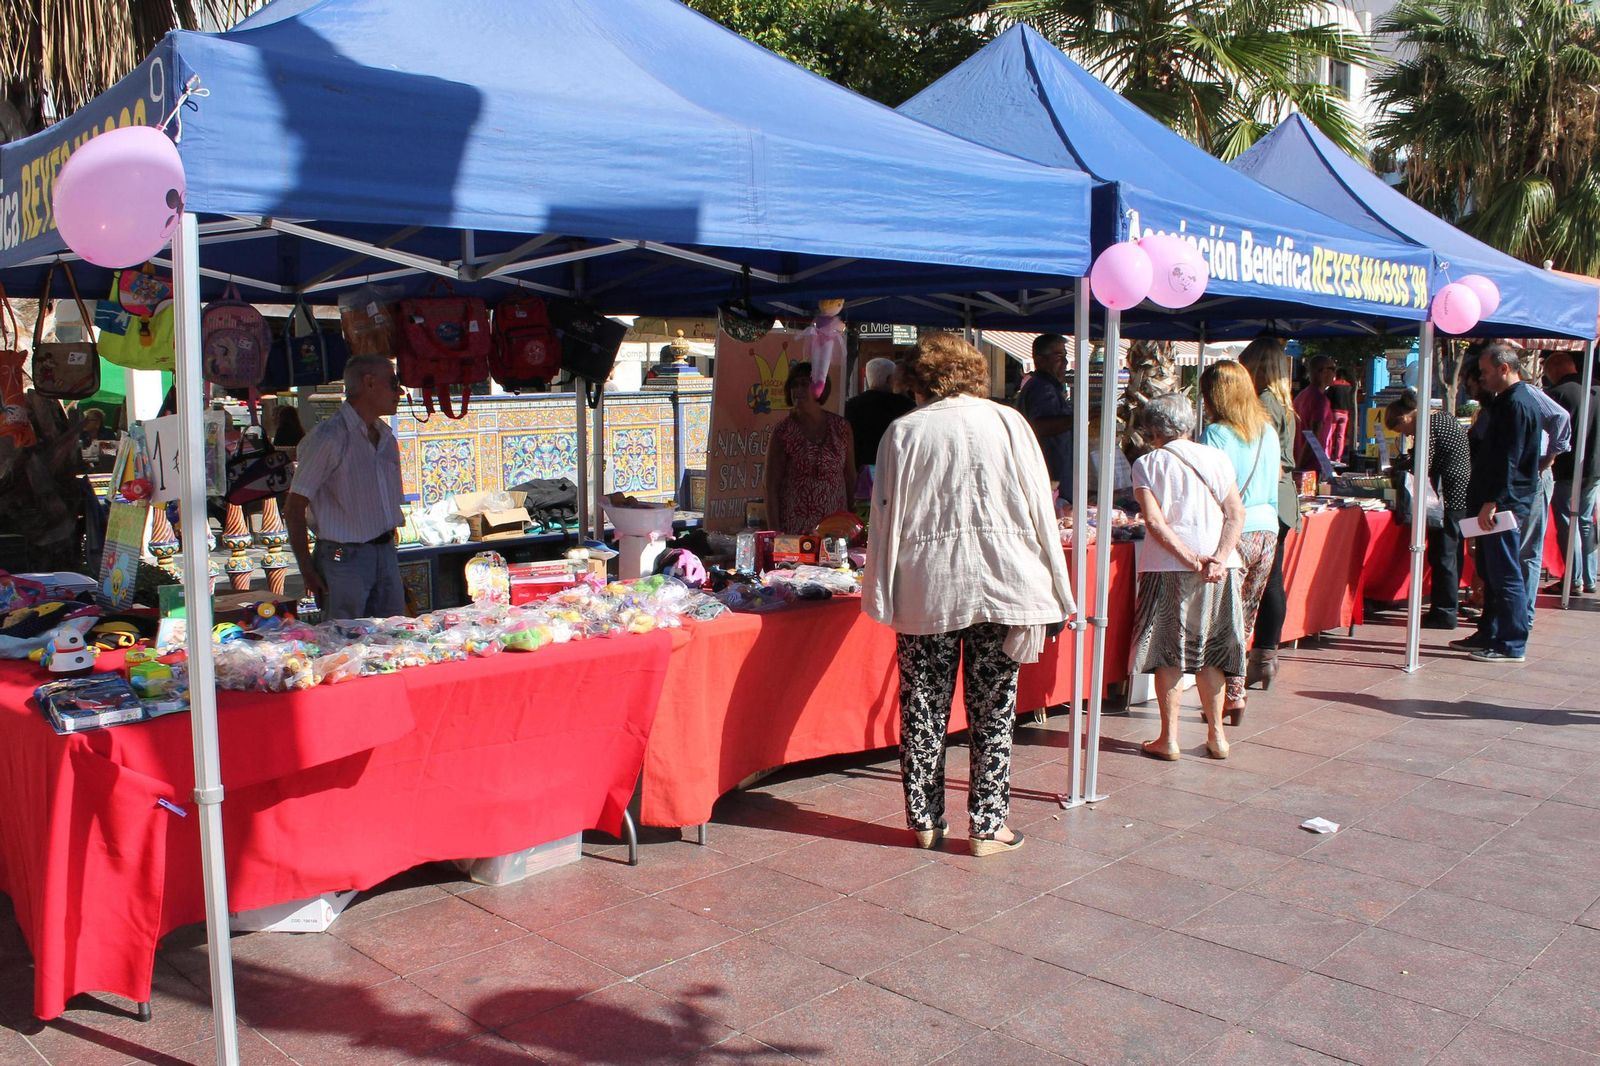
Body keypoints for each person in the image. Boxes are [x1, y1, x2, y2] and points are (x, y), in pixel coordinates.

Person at [863, 332, 1074, 857]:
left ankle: (925, 821)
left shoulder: (904, 431)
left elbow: (884, 517)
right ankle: (988, 824)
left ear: (921, 381)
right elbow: (1040, 508)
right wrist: (1059, 589)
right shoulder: (1009, 422)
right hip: (1004, 581)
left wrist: (881, 595)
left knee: (923, 706)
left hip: (926, 588)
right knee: (993, 707)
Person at [1128, 392, 1247, 762]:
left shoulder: (1148, 464)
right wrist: (1217, 559)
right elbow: (1235, 513)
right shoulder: (1217, 458)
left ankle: (1170, 738)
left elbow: (1153, 521)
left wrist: (1190, 558)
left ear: (1151, 429)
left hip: (1168, 569)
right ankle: (1217, 737)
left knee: (1169, 653)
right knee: (1211, 651)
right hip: (1219, 570)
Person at [285, 354, 406, 621]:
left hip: (384, 551)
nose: (400, 392)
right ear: (369, 383)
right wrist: (307, 569)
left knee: (393, 640)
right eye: (393, 383)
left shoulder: (385, 436)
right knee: (344, 643)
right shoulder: (329, 437)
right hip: (344, 557)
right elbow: (294, 507)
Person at [1199, 361, 1281, 723]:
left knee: (1222, 619)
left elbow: (1208, 490)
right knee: (1244, 617)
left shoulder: (1215, 434)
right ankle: (1237, 690)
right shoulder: (1268, 430)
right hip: (1267, 528)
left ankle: (1232, 695)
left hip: (1233, 529)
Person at [1453, 343, 1542, 663]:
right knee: (1491, 573)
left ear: (1505, 369)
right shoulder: (1506, 402)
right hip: (1493, 500)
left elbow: (1510, 459)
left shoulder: (1518, 404)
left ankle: (1512, 641)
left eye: (1488, 372)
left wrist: (1494, 500)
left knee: (1505, 574)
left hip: (1504, 502)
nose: (1484, 379)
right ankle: (1489, 631)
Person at [1385, 390, 1472, 629]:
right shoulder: (1443, 418)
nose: (1406, 435)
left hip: (1446, 497)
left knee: (1443, 553)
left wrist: (1397, 470)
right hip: (1458, 495)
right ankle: (1447, 605)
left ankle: (1444, 611)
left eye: (1403, 430)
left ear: (1406, 418)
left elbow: (1424, 462)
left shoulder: (1428, 426)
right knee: (1452, 552)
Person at [1238, 338, 1298, 689]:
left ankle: (1261, 655)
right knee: (1274, 578)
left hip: (1269, 497)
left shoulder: (1264, 404)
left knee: (1267, 580)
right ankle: (1265, 655)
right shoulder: (1281, 402)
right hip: (1284, 497)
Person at [765, 361, 854, 535]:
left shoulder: (841, 427)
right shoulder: (783, 431)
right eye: (794, 385)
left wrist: (853, 519)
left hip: (836, 526)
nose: (797, 390)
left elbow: (850, 477)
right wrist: (775, 534)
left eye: (804, 384)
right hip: (796, 528)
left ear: (819, 388)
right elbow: (771, 487)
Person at [1515, 361, 1571, 627]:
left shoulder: (1527, 392)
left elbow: (1561, 417)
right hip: (1521, 475)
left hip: (1535, 474)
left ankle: (1524, 613)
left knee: (1528, 548)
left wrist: (1549, 458)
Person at [1545, 348, 1600, 594]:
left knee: (1570, 522)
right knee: (1585, 522)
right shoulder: (1596, 390)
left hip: (1567, 469)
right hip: (1595, 468)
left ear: (1556, 370)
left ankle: (1574, 579)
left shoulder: (1557, 394)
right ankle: (1588, 578)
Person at [1017, 333, 1073, 499]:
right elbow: (1038, 426)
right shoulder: (1042, 388)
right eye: (1058, 356)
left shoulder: (1046, 386)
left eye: (1065, 356)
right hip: (1048, 475)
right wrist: (1078, 419)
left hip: (1053, 475)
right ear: (1040, 360)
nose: (1065, 362)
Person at [844, 356, 914, 469]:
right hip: (893, 470)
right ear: (889, 379)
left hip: (861, 473)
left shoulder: (850, 406)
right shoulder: (905, 407)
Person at [1292, 355, 1337, 471]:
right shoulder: (1320, 400)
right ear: (1323, 371)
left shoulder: (1301, 396)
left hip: (1299, 462)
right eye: (1333, 369)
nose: (1334, 374)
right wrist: (1299, 467)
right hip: (1313, 466)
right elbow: (1314, 436)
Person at [1325, 368, 1357, 464]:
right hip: (1345, 413)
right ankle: (1338, 458)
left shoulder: (1333, 385)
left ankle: (1327, 455)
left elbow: (1327, 399)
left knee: (1329, 435)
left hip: (1334, 412)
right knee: (1341, 436)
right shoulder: (1349, 387)